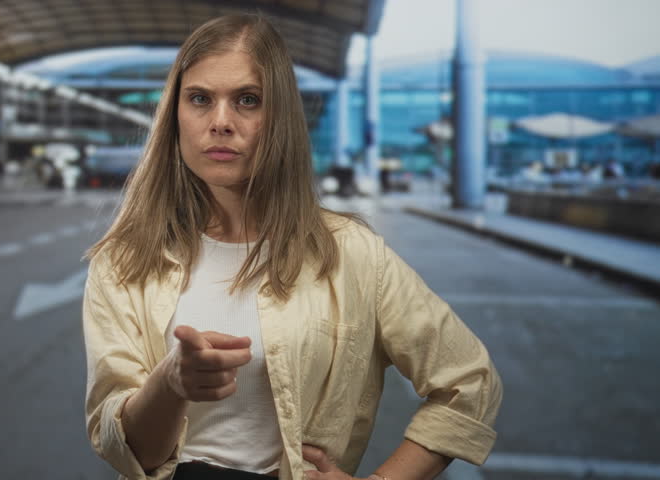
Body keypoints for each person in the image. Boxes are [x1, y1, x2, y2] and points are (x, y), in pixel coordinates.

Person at [82, 14, 502, 480]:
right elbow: (124, 447)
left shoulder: (353, 255)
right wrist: (171, 383)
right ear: (174, 113)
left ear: (279, 116)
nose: (220, 122)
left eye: (247, 100)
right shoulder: (122, 260)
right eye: (199, 98)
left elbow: (468, 381)